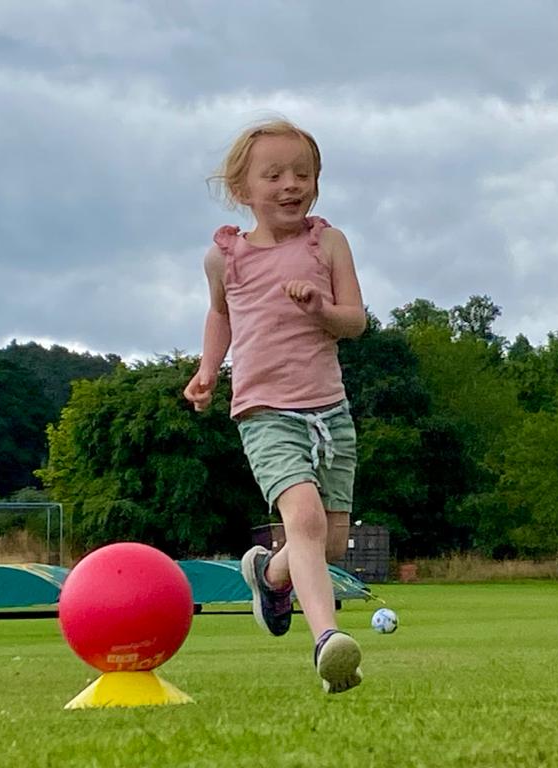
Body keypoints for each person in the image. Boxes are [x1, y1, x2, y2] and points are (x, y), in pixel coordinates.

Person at [183, 118, 367, 694]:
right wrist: (209, 369)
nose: (292, 184)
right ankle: (328, 642)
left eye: (303, 174)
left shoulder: (328, 243)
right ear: (243, 190)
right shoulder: (226, 257)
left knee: (329, 544)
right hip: (263, 409)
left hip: (329, 411)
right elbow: (222, 314)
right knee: (305, 520)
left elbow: (355, 322)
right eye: (275, 175)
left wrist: (320, 308)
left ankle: (270, 572)